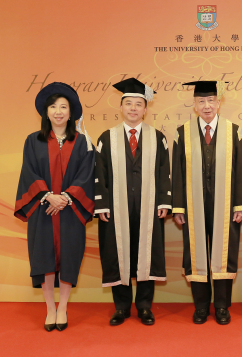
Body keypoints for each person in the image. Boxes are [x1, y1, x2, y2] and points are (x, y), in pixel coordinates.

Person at [14, 82, 95, 332]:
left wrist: (66, 198)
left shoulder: (83, 143)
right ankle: (50, 308)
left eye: (63, 107)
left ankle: (63, 307)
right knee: (45, 258)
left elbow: (87, 175)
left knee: (69, 258)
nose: (58, 111)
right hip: (43, 209)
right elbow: (28, 172)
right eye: (53, 107)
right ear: (46, 112)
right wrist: (48, 196)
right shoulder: (33, 141)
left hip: (71, 211)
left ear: (71, 113)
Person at [172, 80, 242, 325]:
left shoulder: (233, 131)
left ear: (219, 102)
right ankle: (201, 307)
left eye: (211, 101)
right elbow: (177, 172)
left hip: (226, 204)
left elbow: (241, 170)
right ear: (194, 105)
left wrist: (240, 205)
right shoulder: (182, 133)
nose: (206, 106)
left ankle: (221, 306)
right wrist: (178, 207)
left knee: (224, 253)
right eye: (201, 101)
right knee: (195, 255)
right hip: (192, 204)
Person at [94, 78, 171, 326]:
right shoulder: (108, 137)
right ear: (121, 107)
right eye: (129, 104)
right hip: (116, 208)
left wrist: (163, 201)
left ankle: (145, 307)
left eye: (139, 104)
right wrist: (102, 204)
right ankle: (121, 307)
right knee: (118, 253)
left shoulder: (157, 137)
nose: (134, 109)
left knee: (145, 254)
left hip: (149, 208)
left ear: (146, 109)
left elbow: (164, 171)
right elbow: (99, 173)